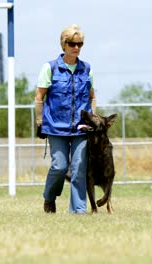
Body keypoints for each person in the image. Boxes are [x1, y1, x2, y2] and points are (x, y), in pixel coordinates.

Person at [35, 24, 96, 214]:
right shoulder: (50, 68)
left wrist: (94, 121)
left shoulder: (87, 69)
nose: (76, 47)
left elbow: (92, 97)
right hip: (55, 127)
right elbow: (39, 97)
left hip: (81, 128)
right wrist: (39, 122)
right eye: (72, 43)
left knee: (79, 168)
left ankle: (78, 210)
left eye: (80, 44)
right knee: (59, 167)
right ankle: (49, 197)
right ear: (64, 44)